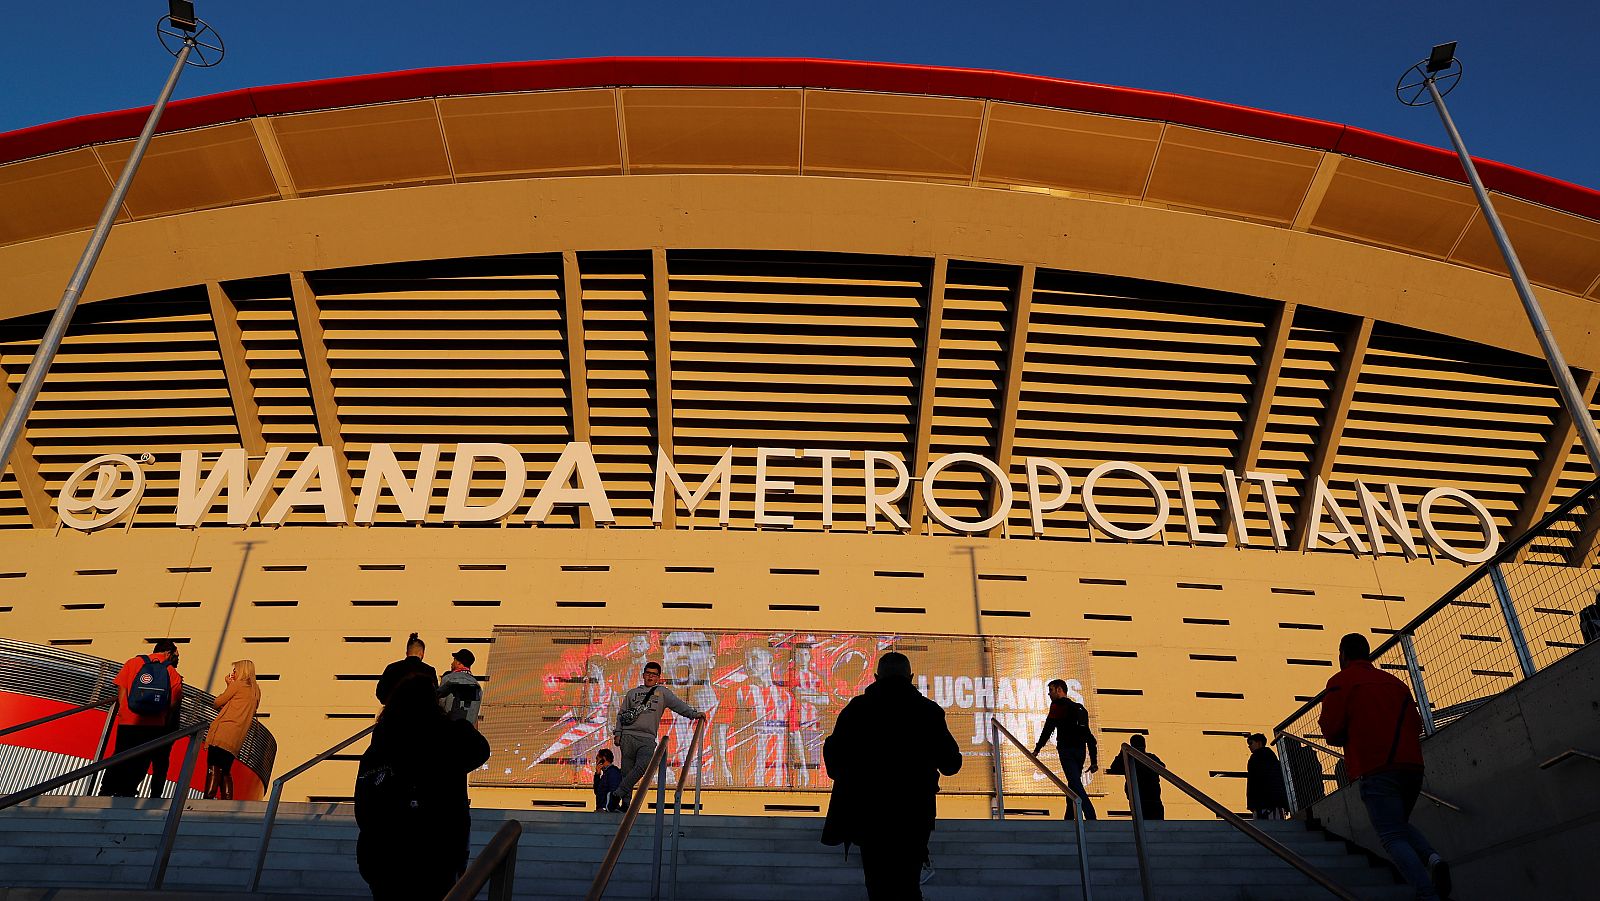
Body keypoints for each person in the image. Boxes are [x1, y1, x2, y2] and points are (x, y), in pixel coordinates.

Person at [1320, 633, 1452, 901]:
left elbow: (1332, 731)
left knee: (1391, 836)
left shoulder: (1340, 683)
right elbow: (1416, 724)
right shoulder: (1395, 683)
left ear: (1342, 655)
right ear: (1367, 653)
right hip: (1412, 766)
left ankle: (1426, 893)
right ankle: (1433, 858)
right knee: (1398, 823)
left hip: (1377, 767)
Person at [822, 652, 961, 901]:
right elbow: (951, 764)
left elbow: (835, 764)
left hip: (868, 813)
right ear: (911, 677)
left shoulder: (856, 710)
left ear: (876, 677)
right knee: (908, 885)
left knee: (877, 886)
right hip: (914, 813)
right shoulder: (928, 712)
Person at [355, 673, 490, 901]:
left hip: (381, 855)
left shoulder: (380, 742)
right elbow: (479, 751)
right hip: (435, 853)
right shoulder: (444, 736)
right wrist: (462, 722)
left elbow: (364, 805)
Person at [611, 661, 706, 809]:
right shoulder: (632, 693)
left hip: (647, 738)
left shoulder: (663, 692)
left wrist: (694, 714)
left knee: (644, 765)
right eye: (648, 673)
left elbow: (678, 705)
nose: (650, 677)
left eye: (654, 674)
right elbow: (621, 715)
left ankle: (618, 793)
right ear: (643, 675)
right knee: (626, 771)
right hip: (628, 736)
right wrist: (618, 734)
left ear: (658, 677)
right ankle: (625, 804)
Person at [101, 640, 185, 798]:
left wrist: (125, 710)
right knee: (141, 759)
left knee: (120, 754)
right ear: (168, 653)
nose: (176, 658)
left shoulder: (133, 663)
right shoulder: (172, 674)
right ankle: (127, 790)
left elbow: (122, 688)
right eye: (176, 655)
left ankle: (106, 789)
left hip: (128, 720)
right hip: (154, 724)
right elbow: (173, 703)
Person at [715, 646, 794, 786]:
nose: (749, 665)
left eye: (755, 659)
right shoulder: (735, 691)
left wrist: (803, 767)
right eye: (746, 660)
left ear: (769, 660)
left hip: (779, 779)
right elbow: (719, 732)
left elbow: (795, 735)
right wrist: (723, 766)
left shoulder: (786, 696)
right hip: (745, 776)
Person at [1032, 679, 1098, 820]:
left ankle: (1091, 815)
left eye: (1051, 690)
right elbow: (1089, 736)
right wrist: (1093, 761)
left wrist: (1037, 749)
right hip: (1081, 751)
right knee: (1072, 783)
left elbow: (1048, 728)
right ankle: (1069, 818)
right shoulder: (1080, 708)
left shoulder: (1057, 706)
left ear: (1059, 690)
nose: (1049, 694)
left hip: (1066, 750)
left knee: (1074, 783)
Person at [205, 659, 261, 800]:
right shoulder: (256, 691)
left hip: (224, 731)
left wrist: (228, 686)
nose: (233, 673)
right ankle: (226, 800)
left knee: (213, 764)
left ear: (242, 671)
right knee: (225, 769)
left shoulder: (238, 685)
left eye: (235, 670)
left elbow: (217, 702)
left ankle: (208, 796)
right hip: (237, 737)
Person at [1105, 733, 1164, 820]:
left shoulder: (1129, 758)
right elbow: (1162, 767)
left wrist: (1122, 753)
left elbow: (1115, 768)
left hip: (1137, 796)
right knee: (1157, 822)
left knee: (1140, 820)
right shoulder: (1151, 758)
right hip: (1153, 797)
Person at [376, 633, 437, 705]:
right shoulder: (429, 670)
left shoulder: (392, 668)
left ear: (407, 652)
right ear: (422, 653)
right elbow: (434, 695)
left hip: (395, 713)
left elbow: (380, 692)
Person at [1245, 733, 1290, 820]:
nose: (1249, 746)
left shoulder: (1257, 758)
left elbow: (1254, 782)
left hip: (1264, 802)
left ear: (1259, 742)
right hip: (1272, 802)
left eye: (1251, 743)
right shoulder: (1271, 757)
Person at [437, 648, 483, 727]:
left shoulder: (448, 679)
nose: (452, 663)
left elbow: (440, 705)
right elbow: (474, 714)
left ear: (458, 663)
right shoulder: (476, 686)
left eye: (454, 660)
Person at [593, 748, 623, 812]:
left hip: (606, 810)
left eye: (597, 759)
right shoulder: (605, 774)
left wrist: (607, 808)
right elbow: (597, 791)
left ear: (603, 759)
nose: (596, 762)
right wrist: (597, 775)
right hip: (601, 809)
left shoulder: (613, 772)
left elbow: (613, 792)